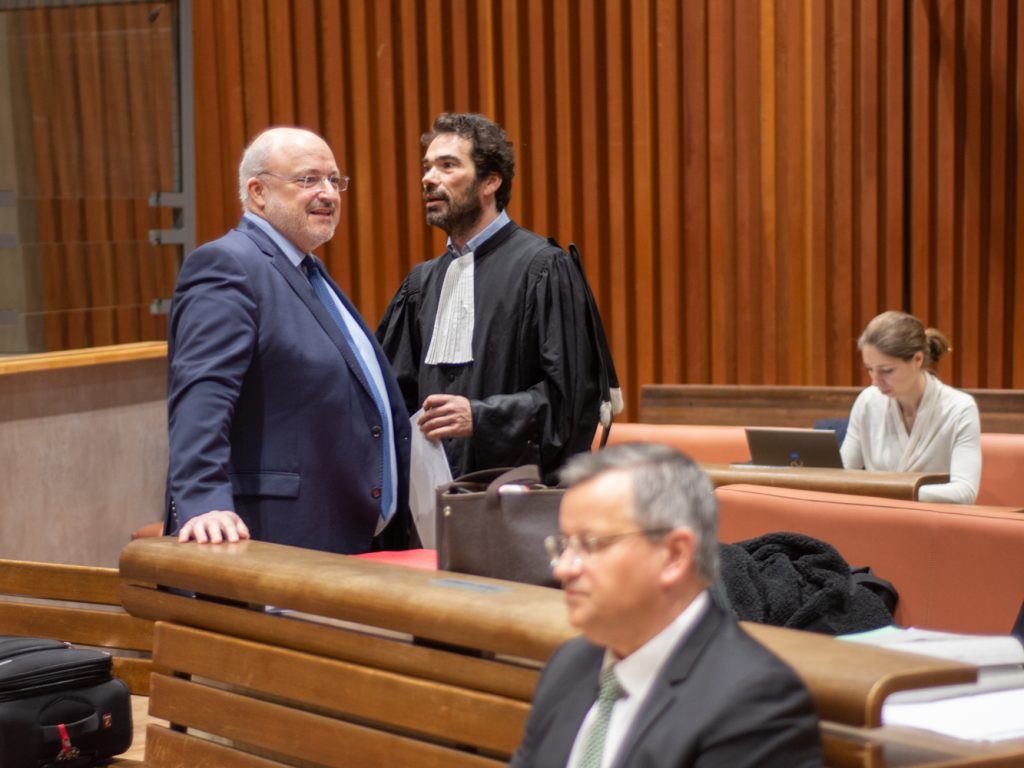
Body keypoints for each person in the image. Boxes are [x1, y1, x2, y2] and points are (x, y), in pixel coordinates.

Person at [165, 126, 412, 553]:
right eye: (308, 179)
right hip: (276, 536)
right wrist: (203, 501)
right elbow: (203, 393)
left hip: (344, 532)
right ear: (258, 192)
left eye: (335, 180)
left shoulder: (308, 272)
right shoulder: (228, 265)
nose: (329, 194)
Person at [511, 443, 823, 768]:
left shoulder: (755, 702)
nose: (562, 568)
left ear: (674, 556)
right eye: (564, 545)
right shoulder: (570, 664)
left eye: (592, 544)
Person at [377, 112, 611, 483]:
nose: (428, 178)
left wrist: (483, 417)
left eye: (447, 166)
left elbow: (571, 404)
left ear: (490, 181)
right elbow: (394, 395)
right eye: (427, 167)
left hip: (519, 499)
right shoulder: (422, 283)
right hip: (431, 499)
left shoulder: (544, 270)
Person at [841, 310, 981, 504]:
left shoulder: (959, 408)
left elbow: (964, 492)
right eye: (870, 369)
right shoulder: (867, 401)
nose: (875, 381)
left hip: (936, 524)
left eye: (886, 370)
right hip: (877, 520)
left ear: (917, 359)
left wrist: (884, 492)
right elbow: (841, 474)